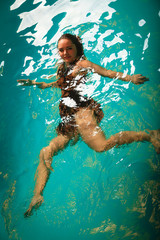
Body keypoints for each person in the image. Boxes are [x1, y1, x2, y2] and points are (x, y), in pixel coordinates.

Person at [17, 33, 160, 217]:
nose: (65, 52)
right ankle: (37, 195)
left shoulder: (83, 64)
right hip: (68, 116)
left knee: (101, 147)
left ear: (77, 48)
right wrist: (37, 84)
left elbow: (106, 72)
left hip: (83, 111)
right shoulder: (62, 67)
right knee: (46, 151)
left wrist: (129, 78)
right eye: (61, 50)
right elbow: (59, 84)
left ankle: (149, 135)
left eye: (69, 48)